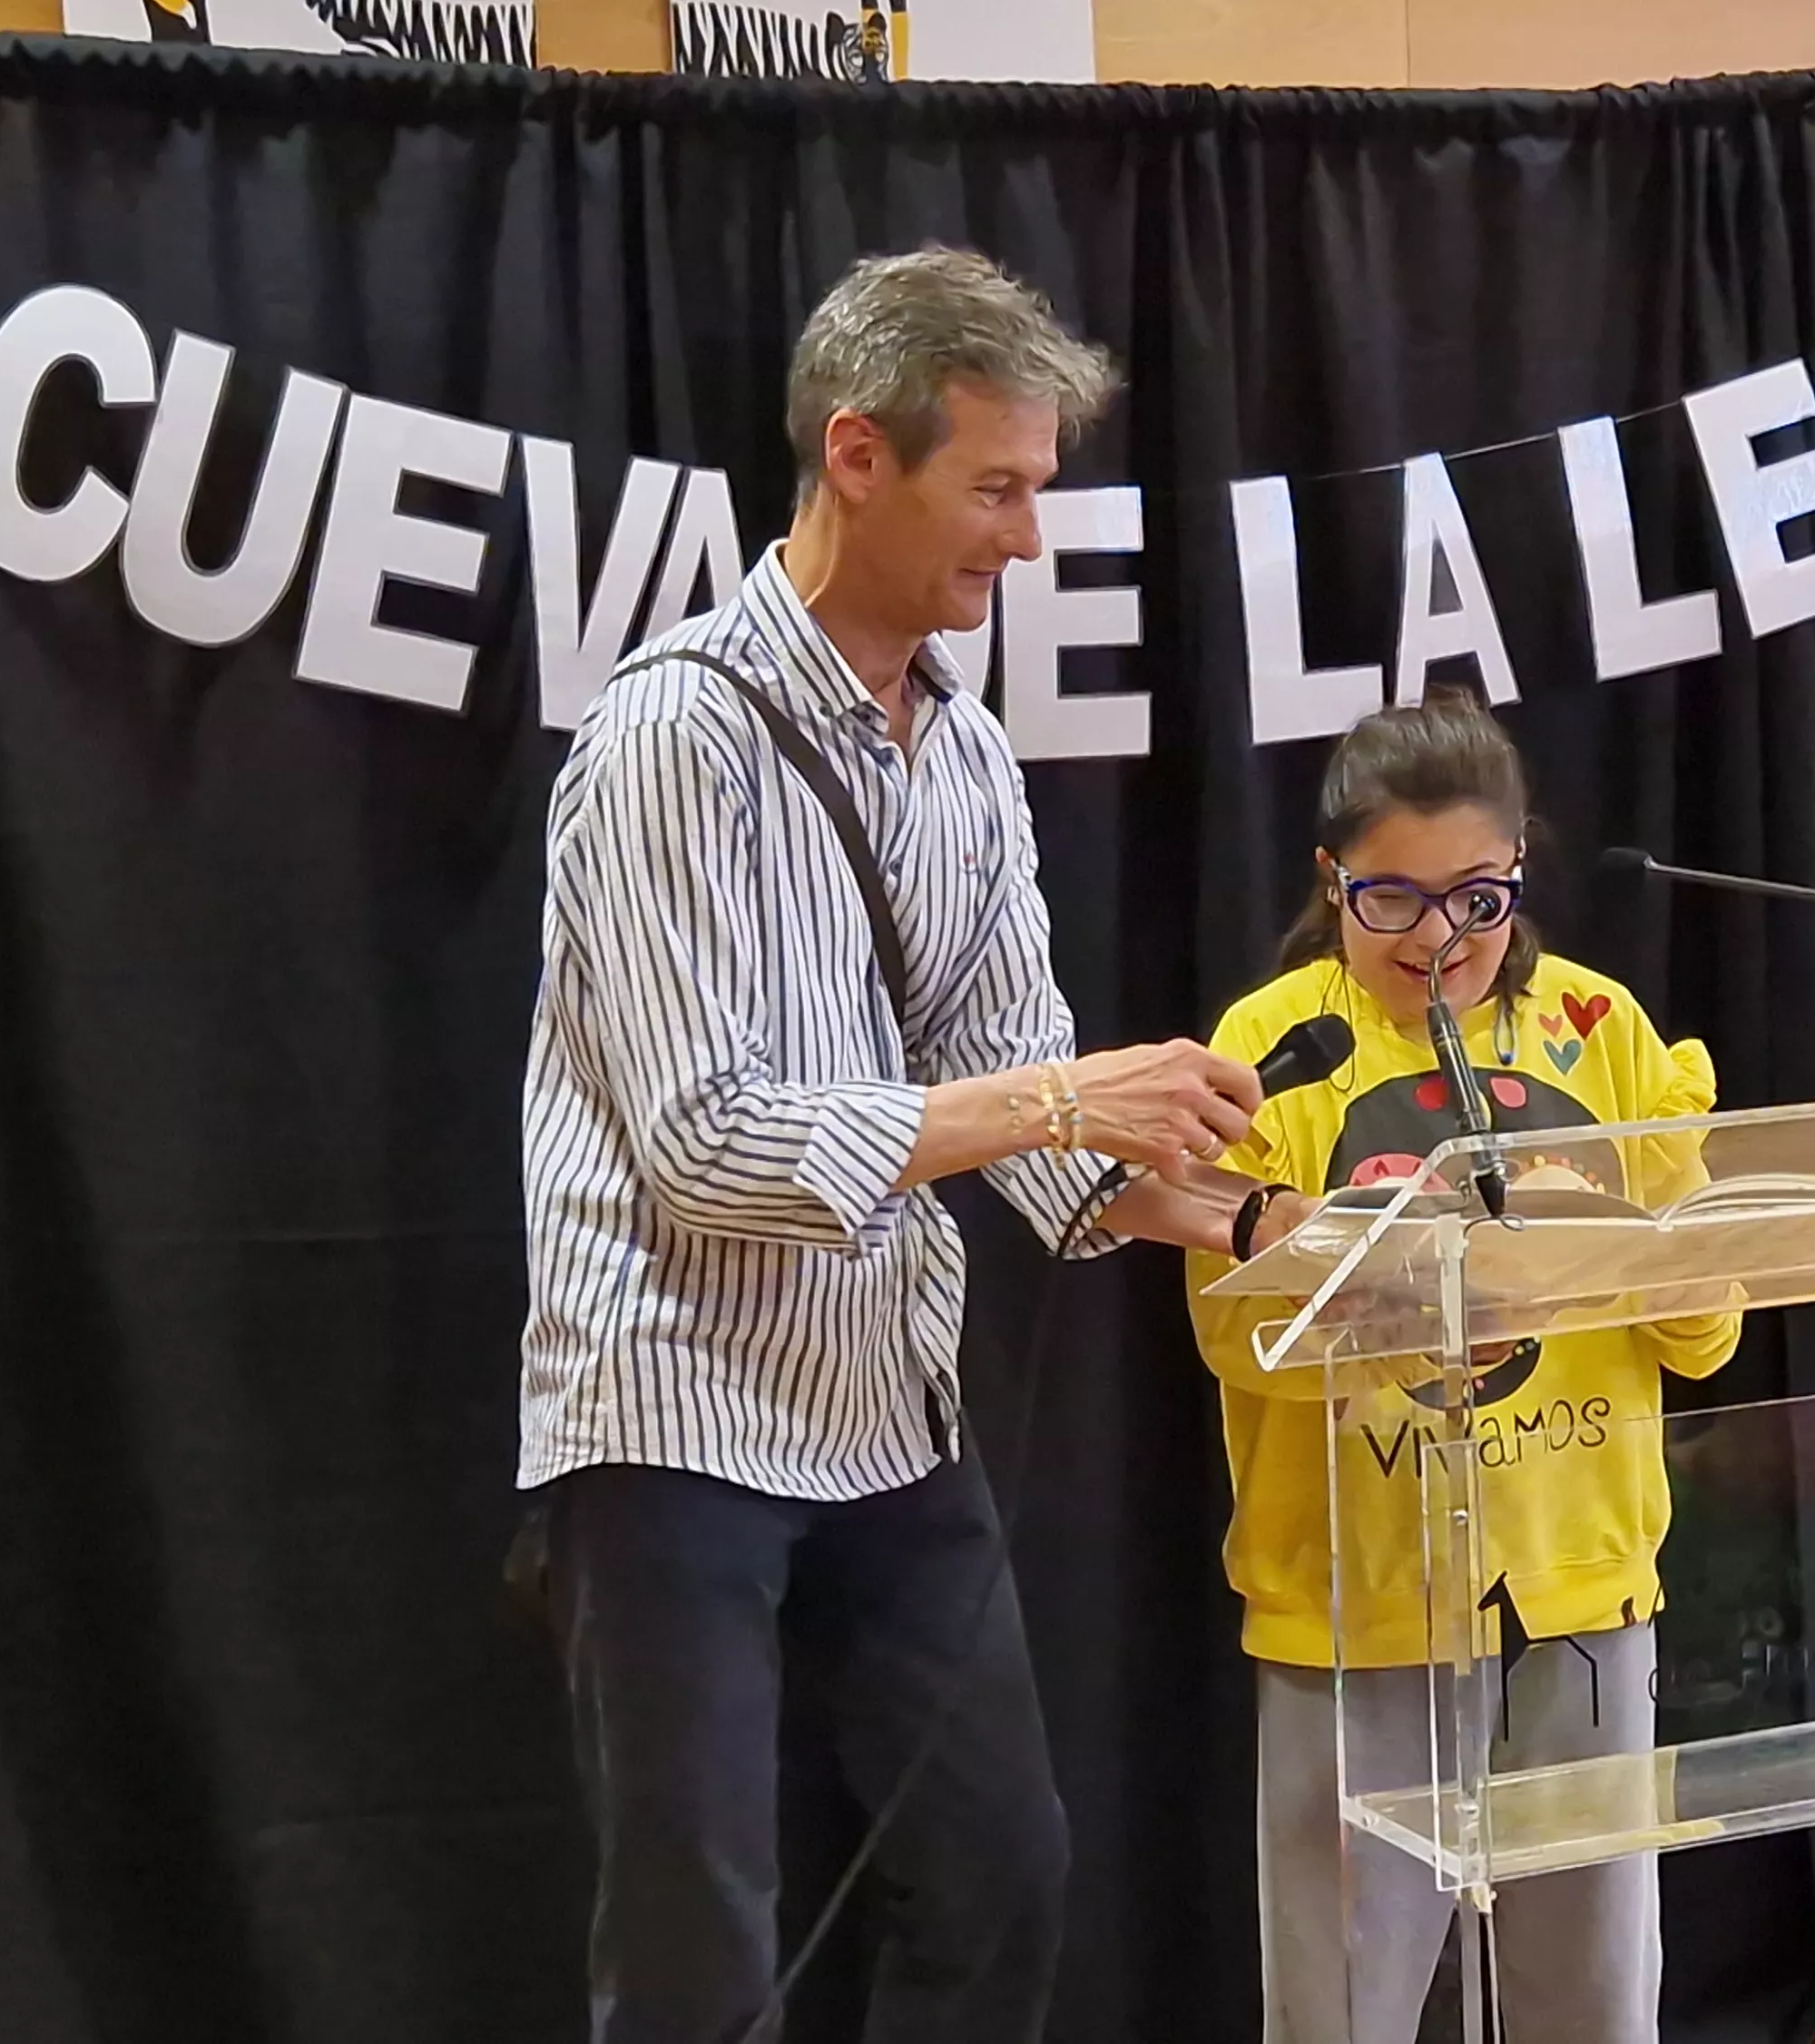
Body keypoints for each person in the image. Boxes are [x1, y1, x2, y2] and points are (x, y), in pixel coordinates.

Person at [515, 247, 1308, 2044]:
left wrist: (1242, 1214)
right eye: (998, 488)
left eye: (1037, 491)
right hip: (667, 1409)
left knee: (1001, 1875)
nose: (1024, 540)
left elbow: (1008, 1073)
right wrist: (1055, 1103)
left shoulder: (963, 758)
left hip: (886, 1404)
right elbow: (707, 1142)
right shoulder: (669, 737)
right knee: (699, 1940)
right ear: (857, 456)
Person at [1182, 691, 1741, 2044]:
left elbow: (1706, 1332)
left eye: (1479, 901)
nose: (1441, 941)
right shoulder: (1269, 1050)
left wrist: (1596, 1242)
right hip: (1357, 1595)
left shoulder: (1600, 1031)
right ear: (1332, 883)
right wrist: (1406, 1288)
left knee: (1596, 2004)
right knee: (1341, 2008)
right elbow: (1237, 1339)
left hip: (1581, 1589)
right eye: (1394, 901)